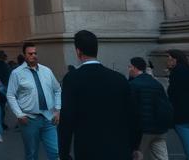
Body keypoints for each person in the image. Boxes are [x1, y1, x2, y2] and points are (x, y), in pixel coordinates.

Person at [58, 30, 138, 160]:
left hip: (89, 150)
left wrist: (64, 153)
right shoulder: (119, 78)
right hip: (120, 149)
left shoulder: (72, 79)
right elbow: (133, 115)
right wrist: (135, 146)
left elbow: (67, 119)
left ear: (78, 52)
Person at [6, 41, 61, 160]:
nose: (33, 56)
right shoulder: (17, 73)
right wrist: (19, 114)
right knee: (31, 154)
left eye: (35, 53)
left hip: (49, 118)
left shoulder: (47, 71)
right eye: (30, 54)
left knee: (55, 151)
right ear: (24, 55)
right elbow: (10, 95)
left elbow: (57, 90)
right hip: (29, 120)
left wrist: (57, 109)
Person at [128, 56, 173, 160]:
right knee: (161, 156)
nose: (128, 69)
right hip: (160, 129)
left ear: (134, 68)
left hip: (143, 130)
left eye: (129, 67)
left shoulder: (133, 85)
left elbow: (131, 109)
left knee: (138, 155)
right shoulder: (156, 83)